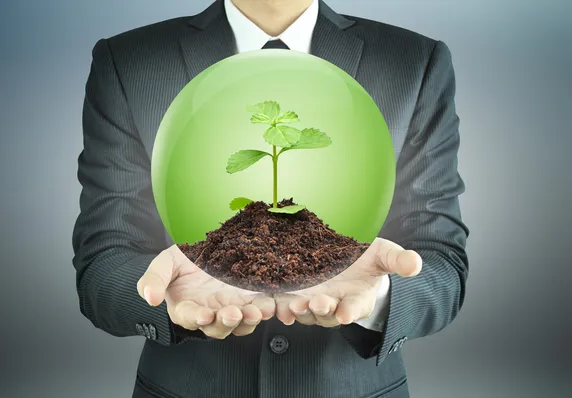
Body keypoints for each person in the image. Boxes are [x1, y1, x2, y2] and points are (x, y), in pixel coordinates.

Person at [72, 0, 469, 397]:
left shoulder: (412, 61)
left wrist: (379, 296)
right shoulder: (132, 62)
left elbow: (442, 262)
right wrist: (167, 301)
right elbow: (103, 262)